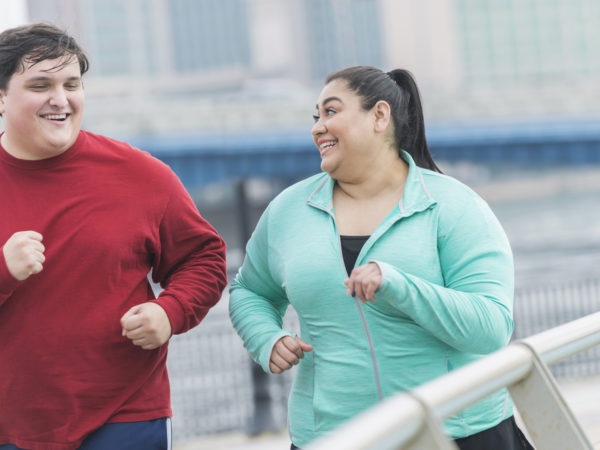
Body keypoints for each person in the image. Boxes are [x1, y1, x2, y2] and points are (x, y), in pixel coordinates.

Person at [229, 66, 533, 449]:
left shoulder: (453, 206)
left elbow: (490, 328)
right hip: (335, 438)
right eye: (316, 116)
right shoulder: (288, 211)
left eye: (332, 111)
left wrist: (398, 285)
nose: (318, 127)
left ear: (379, 116)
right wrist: (266, 338)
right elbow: (249, 291)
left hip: (457, 432)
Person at [0, 23, 227, 450]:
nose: (60, 99)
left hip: (126, 413)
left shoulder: (142, 175)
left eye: (72, 84)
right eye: (40, 84)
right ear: (0, 96)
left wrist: (170, 311)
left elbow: (205, 258)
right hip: (12, 425)